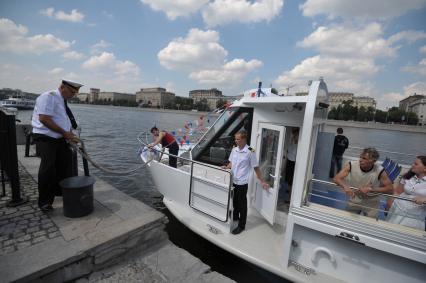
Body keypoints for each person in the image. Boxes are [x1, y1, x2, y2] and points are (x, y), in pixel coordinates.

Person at [31, 79, 82, 212]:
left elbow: (63, 120)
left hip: (60, 138)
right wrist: (65, 133)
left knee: (65, 166)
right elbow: (44, 119)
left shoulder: (61, 100)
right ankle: (45, 202)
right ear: (62, 87)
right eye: (71, 92)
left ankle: (61, 192)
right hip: (46, 138)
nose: (73, 95)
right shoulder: (48, 97)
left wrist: (70, 134)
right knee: (48, 168)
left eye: (74, 93)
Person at [221, 131, 269, 235]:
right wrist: (226, 167)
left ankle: (241, 226)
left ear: (243, 140)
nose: (236, 141)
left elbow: (256, 168)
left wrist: (263, 181)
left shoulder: (250, 151)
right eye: (235, 139)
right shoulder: (234, 150)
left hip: (242, 183)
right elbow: (231, 163)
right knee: (234, 202)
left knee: (242, 204)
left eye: (238, 139)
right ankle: (236, 218)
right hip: (233, 180)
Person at [333, 147, 393, 218]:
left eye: (364, 158)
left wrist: (371, 189)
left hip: (372, 202)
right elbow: (336, 178)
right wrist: (345, 186)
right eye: (360, 157)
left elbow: (390, 188)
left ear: (373, 161)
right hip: (355, 198)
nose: (360, 160)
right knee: (347, 221)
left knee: (370, 224)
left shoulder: (380, 171)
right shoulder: (351, 165)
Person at [387, 156, 426, 230]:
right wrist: (390, 201)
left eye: (416, 164)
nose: (412, 165)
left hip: (415, 216)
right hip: (398, 208)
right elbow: (398, 192)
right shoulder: (408, 176)